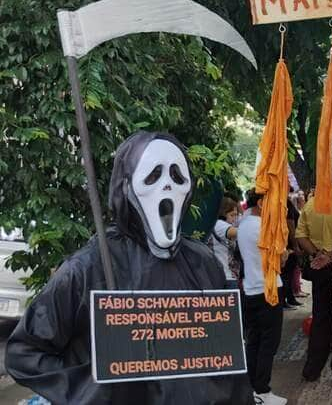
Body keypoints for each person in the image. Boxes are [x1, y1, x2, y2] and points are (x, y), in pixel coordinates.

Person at [5, 131, 253, 404]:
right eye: (153, 175)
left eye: (177, 176)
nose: (167, 186)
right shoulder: (89, 268)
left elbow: (229, 360)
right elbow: (25, 352)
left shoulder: (203, 262)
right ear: (126, 187)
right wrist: (91, 390)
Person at [295, 164, 332, 381]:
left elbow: (300, 235)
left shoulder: (311, 204)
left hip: (319, 269)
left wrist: (318, 253)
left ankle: (312, 370)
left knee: (321, 318)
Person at [238, 190, 287, 405]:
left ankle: (253, 388)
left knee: (254, 341)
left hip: (251, 289)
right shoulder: (262, 227)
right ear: (260, 203)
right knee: (268, 343)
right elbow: (280, 258)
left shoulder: (243, 225)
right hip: (268, 290)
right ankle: (263, 390)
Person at [210, 196, 241, 289]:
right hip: (225, 276)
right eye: (232, 215)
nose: (235, 218)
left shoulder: (216, 224)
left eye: (236, 215)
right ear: (223, 213)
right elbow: (242, 232)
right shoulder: (219, 224)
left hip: (224, 276)